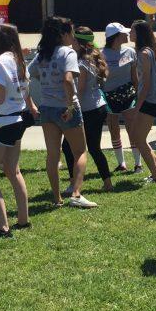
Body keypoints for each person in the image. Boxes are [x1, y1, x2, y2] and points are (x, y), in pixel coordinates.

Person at [28, 16, 97, 209]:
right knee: (81, 151)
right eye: (71, 33)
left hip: (47, 109)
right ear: (64, 34)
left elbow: (28, 73)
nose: (73, 37)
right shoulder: (68, 52)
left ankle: (57, 198)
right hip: (66, 108)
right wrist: (69, 106)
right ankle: (76, 194)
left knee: (53, 155)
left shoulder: (42, 54)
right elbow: (68, 80)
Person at [0, 23, 38, 237]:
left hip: (3, 122)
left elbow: (0, 97)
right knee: (13, 171)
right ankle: (23, 219)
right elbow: (23, 92)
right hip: (18, 119)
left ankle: (2, 226)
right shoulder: (18, 60)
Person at [62, 26, 113, 193]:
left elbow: (80, 89)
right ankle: (107, 182)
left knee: (68, 147)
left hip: (87, 109)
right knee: (93, 147)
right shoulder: (92, 58)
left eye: (73, 41)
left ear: (78, 42)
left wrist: (70, 107)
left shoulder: (81, 63)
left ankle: (73, 183)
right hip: (98, 107)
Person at [129, 19, 156, 184]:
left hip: (150, 100)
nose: (130, 33)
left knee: (138, 139)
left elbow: (146, 85)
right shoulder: (147, 51)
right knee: (140, 138)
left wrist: (137, 107)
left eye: (132, 31)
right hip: (154, 100)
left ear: (139, 34)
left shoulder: (144, 53)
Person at [101, 22, 140, 174]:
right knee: (113, 128)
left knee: (132, 128)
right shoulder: (101, 54)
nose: (127, 35)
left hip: (129, 95)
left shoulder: (130, 52)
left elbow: (134, 76)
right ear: (115, 37)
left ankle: (138, 164)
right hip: (109, 96)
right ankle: (121, 163)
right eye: (124, 33)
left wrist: (138, 93)